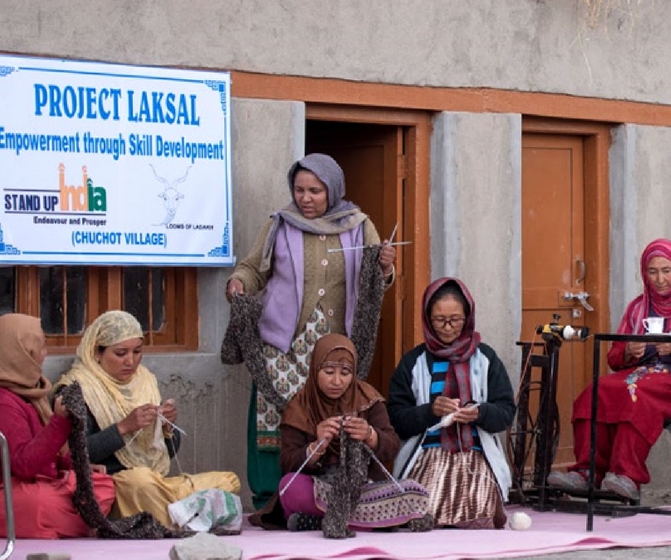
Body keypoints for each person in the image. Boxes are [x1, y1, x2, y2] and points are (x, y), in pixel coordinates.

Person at [225, 153, 396, 508]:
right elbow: (253, 269)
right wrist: (238, 283)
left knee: (327, 419)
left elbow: (376, 283)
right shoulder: (280, 224)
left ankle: (320, 496)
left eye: (315, 191)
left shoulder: (359, 226)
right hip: (281, 344)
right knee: (274, 416)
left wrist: (385, 268)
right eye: (300, 190)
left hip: (331, 347)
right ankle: (268, 497)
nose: (305, 198)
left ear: (332, 191)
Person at [547, 238, 671, 501]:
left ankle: (626, 474)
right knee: (595, 391)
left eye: (666, 270)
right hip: (641, 372)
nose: (660, 279)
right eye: (652, 271)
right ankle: (587, 470)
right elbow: (614, 357)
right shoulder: (638, 307)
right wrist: (629, 351)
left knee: (634, 393)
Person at [54, 310, 241, 526]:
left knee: (229, 480)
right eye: (121, 353)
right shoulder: (75, 390)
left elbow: (165, 454)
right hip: (115, 486)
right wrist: (123, 427)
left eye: (137, 351)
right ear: (97, 352)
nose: (130, 361)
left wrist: (166, 428)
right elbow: (72, 454)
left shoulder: (144, 381)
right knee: (140, 482)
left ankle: (177, 512)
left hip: (155, 482)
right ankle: (187, 514)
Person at [388, 278, 515, 529]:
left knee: (479, 515)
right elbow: (395, 418)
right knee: (423, 508)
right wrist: (429, 412)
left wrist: (480, 412)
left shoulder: (486, 359)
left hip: (475, 457)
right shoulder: (414, 363)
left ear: (467, 317)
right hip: (427, 456)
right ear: (427, 319)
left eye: (455, 319)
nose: (447, 327)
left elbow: (506, 412)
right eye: (439, 320)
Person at [274, 333, 429, 532]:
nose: (337, 381)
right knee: (290, 487)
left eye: (345, 373)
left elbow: (392, 447)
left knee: (413, 490)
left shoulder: (368, 399)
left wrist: (370, 435)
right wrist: (316, 446)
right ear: (315, 369)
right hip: (320, 487)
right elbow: (287, 462)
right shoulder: (300, 406)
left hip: (363, 489)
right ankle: (375, 522)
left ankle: (323, 521)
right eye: (329, 372)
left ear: (354, 372)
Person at [0, 313, 116, 539]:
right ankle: (66, 523)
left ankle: (61, 523)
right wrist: (60, 422)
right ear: (24, 353)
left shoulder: (32, 389)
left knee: (102, 484)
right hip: (12, 489)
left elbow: (51, 453)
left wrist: (77, 465)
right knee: (38, 503)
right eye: (41, 347)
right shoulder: (4, 402)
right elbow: (24, 465)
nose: (45, 354)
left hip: (44, 482)